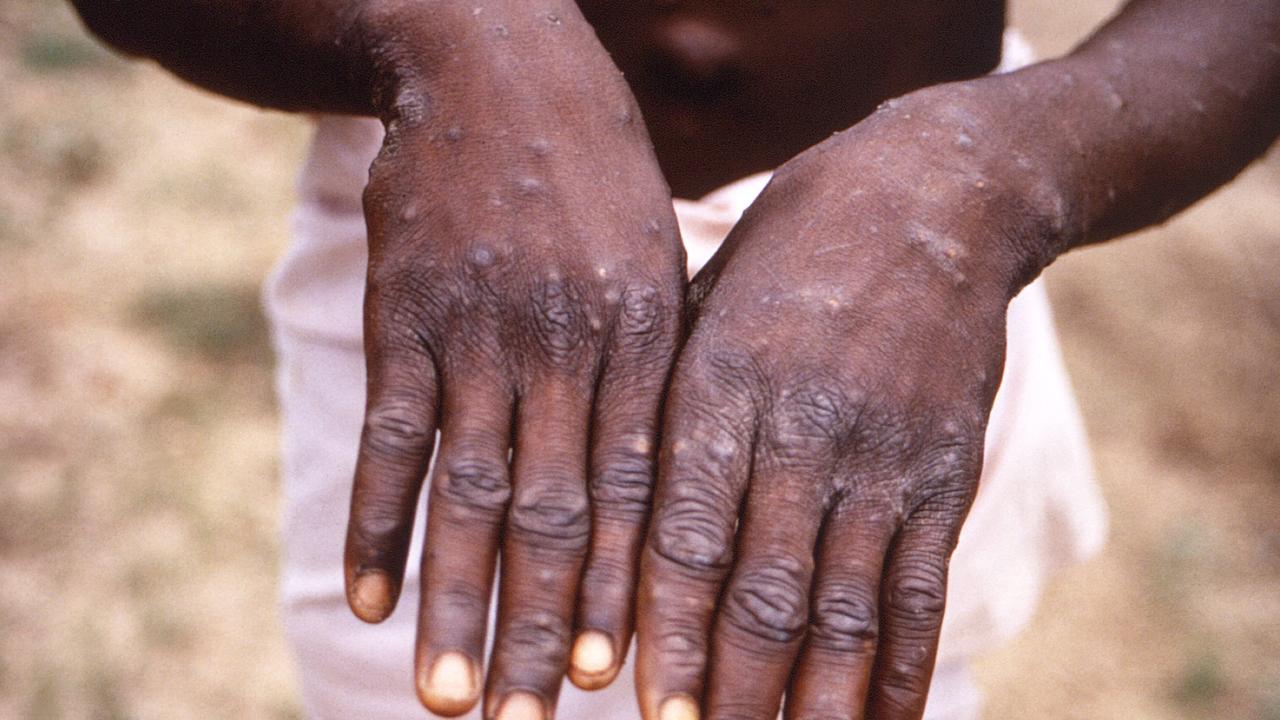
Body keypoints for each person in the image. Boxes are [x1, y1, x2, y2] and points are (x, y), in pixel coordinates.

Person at [67, 2, 1280, 719]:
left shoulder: (955, 212)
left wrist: (995, 174)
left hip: (897, 293)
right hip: (470, 232)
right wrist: (441, 26)